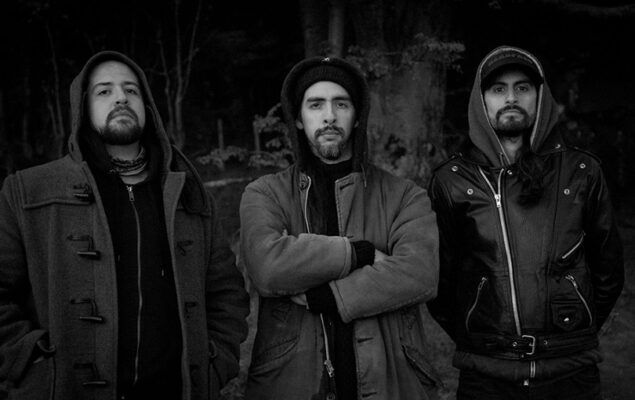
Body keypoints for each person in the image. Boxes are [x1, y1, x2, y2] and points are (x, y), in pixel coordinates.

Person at [0, 51, 249, 400]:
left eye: (131, 90)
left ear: (147, 106)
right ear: (82, 107)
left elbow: (226, 293)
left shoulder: (188, 193)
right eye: (104, 91)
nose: (120, 98)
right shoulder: (28, 191)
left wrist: (214, 363)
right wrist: (32, 367)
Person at [428, 45, 624, 399]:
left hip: (570, 371)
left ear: (540, 96)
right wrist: (480, 333)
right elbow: (439, 281)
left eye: (522, 87)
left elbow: (608, 270)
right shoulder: (452, 180)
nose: (511, 98)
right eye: (498, 89)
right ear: (481, 101)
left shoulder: (582, 171)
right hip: (486, 374)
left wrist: (574, 328)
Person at [239, 56, 440, 400]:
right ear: (298, 118)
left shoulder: (405, 196)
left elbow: (419, 273)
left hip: (391, 381)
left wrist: (328, 296)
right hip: (291, 383)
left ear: (358, 115)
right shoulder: (265, 193)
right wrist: (360, 254)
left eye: (341, 104)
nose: (329, 115)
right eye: (316, 105)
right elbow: (268, 267)